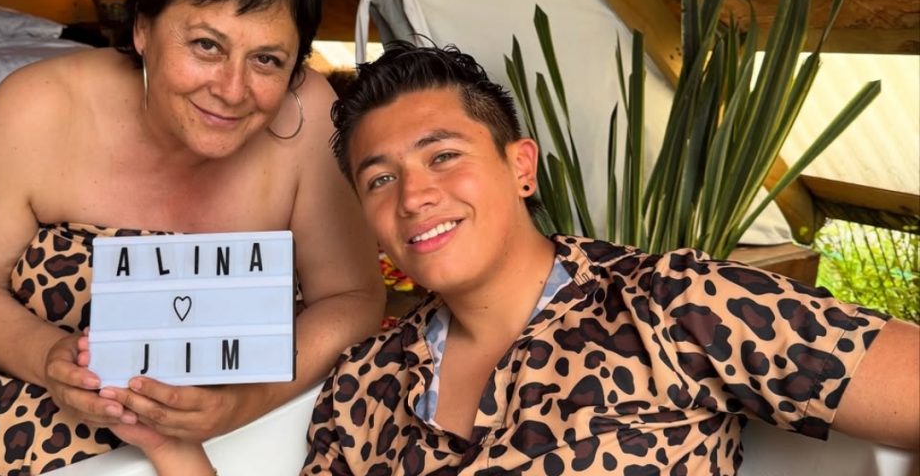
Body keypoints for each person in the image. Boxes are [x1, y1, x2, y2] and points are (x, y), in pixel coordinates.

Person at [0, 0, 384, 472]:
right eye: (206, 45)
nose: (232, 90)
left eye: (267, 60)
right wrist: (47, 357)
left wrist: (243, 402)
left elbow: (352, 298)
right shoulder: (35, 107)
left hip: (246, 398)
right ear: (143, 29)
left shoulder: (309, 114)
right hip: (31, 386)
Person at [296, 41, 919, 473]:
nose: (413, 197)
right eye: (380, 179)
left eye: (443, 156)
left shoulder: (674, 306)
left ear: (521, 167)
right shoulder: (362, 385)